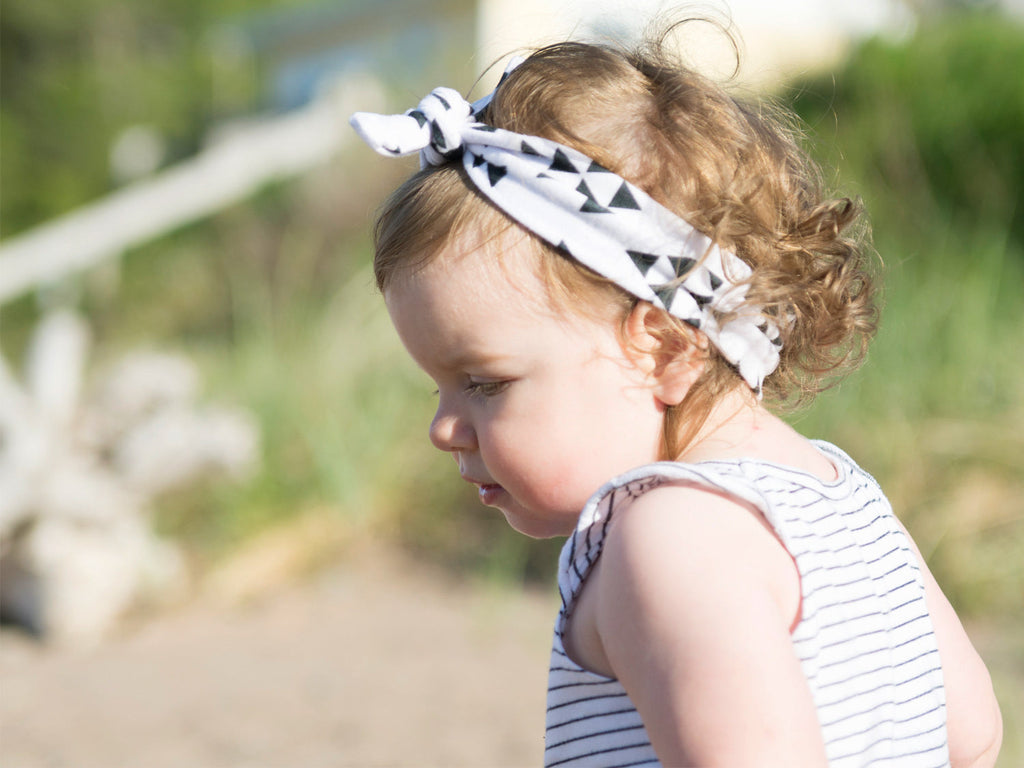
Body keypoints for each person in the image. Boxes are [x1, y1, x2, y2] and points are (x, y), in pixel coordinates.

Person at [349, 27, 1002, 768]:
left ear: (664, 349)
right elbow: (971, 733)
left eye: (484, 384)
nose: (443, 429)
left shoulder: (669, 536)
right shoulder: (846, 498)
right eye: (439, 386)